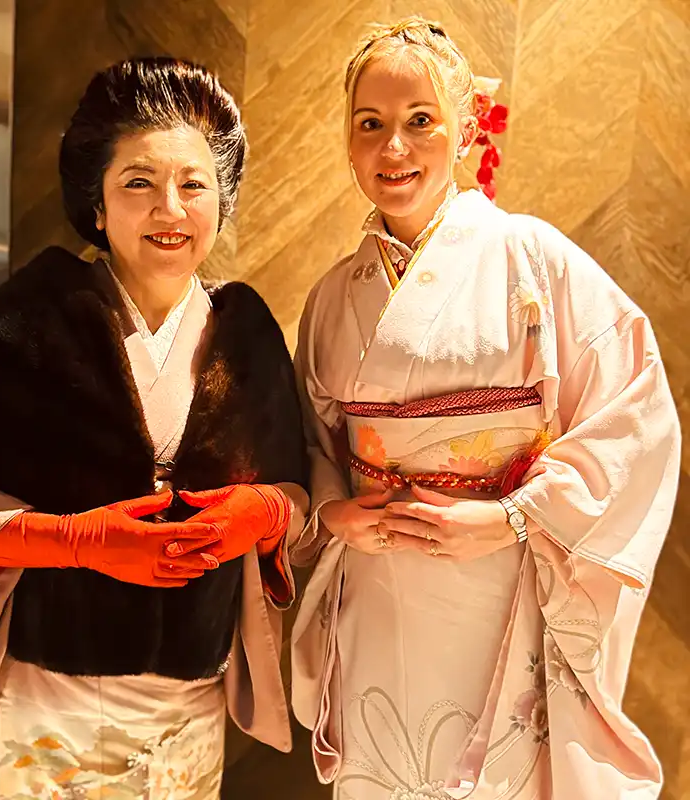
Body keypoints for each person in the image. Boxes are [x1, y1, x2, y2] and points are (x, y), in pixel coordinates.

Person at [290, 17, 679, 800]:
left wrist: (511, 518)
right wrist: (333, 509)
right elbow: (311, 437)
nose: (393, 148)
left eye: (419, 122)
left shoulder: (532, 257)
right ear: (348, 137)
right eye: (370, 125)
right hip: (374, 587)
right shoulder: (335, 295)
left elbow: (635, 409)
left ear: (467, 130)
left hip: (497, 576)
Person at [0, 57, 309, 800]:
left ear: (220, 200)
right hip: (47, 697)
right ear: (95, 203)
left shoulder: (246, 331)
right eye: (139, 183)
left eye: (193, 184)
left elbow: (296, 486)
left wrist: (266, 513)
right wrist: (80, 541)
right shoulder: (30, 319)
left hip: (189, 701)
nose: (171, 209)